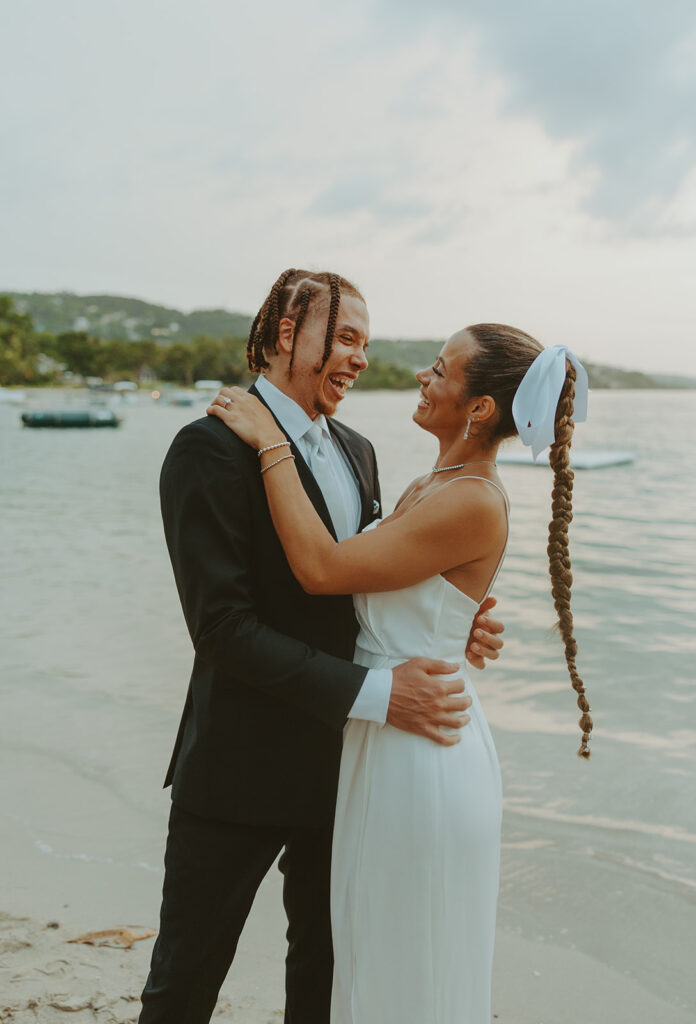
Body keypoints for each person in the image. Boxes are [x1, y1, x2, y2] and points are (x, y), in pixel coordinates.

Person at [138, 269, 505, 1024]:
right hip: (238, 765)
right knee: (185, 981)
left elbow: (359, 591)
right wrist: (381, 694)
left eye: (366, 343)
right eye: (344, 336)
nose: (360, 357)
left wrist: (448, 615)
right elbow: (221, 629)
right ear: (284, 336)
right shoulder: (206, 449)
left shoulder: (359, 451)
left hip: (349, 774)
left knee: (325, 980)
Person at [208, 321, 594, 1023]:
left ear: (478, 408)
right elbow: (396, 588)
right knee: (371, 943)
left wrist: (269, 442)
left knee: (411, 954)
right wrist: (454, 617)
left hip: (423, 751)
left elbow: (322, 568)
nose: (422, 376)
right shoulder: (432, 481)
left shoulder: (472, 499)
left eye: (440, 370)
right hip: (383, 731)